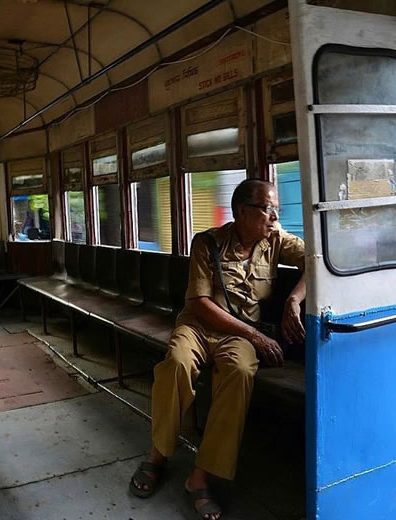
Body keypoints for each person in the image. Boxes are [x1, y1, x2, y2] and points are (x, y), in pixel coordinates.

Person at [129, 179, 306, 519]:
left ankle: (200, 476)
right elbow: (199, 302)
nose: (274, 217)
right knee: (176, 364)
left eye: (276, 211)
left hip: (238, 338)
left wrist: (294, 301)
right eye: (268, 210)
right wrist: (257, 337)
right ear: (242, 211)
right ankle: (158, 455)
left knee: (240, 373)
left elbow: (316, 260)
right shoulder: (207, 243)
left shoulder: (276, 240)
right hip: (197, 328)